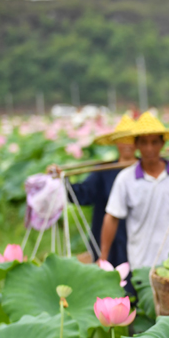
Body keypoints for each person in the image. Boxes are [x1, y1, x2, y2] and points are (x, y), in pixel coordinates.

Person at [102, 113, 169, 269]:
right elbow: (112, 216)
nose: (149, 148)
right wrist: (103, 257)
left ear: (162, 143)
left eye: (154, 142)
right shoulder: (125, 178)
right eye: (144, 143)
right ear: (136, 145)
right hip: (143, 263)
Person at [49, 114, 136, 266]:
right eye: (123, 139)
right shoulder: (104, 171)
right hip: (109, 242)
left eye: (132, 139)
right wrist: (61, 181)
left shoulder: (146, 170)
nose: (127, 144)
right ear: (116, 142)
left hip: (138, 238)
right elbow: (83, 193)